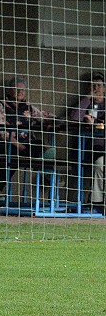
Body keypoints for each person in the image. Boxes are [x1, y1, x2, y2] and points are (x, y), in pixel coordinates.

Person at [0, 76, 56, 198]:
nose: (21, 92)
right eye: (17, 89)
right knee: (13, 156)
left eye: (23, 90)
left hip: (27, 145)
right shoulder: (1, 105)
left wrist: (60, 121)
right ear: (10, 90)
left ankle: (46, 178)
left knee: (45, 148)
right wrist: (18, 144)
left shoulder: (28, 107)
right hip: (8, 144)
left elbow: (43, 116)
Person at [70, 72, 105, 213]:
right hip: (90, 148)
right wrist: (88, 98)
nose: (96, 88)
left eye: (99, 85)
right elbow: (73, 118)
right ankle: (96, 202)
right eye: (93, 86)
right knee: (101, 163)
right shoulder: (86, 102)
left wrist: (96, 122)